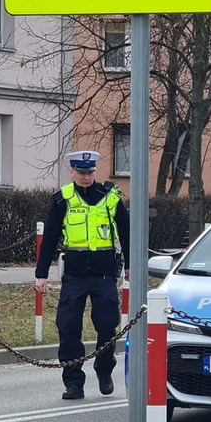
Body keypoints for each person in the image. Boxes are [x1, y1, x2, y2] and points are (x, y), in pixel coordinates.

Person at [35, 151, 130, 401]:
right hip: (75, 274)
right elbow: (50, 239)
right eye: (81, 172)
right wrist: (41, 274)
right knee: (68, 329)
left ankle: (104, 369)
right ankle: (74, 382)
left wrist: (131, 266)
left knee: (108, 325)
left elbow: (128, 232)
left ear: (94, 172)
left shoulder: (110, 198)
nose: (86, 176)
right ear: (72, 172)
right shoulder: (62, 199)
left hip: (104, 273)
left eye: (89, 172)